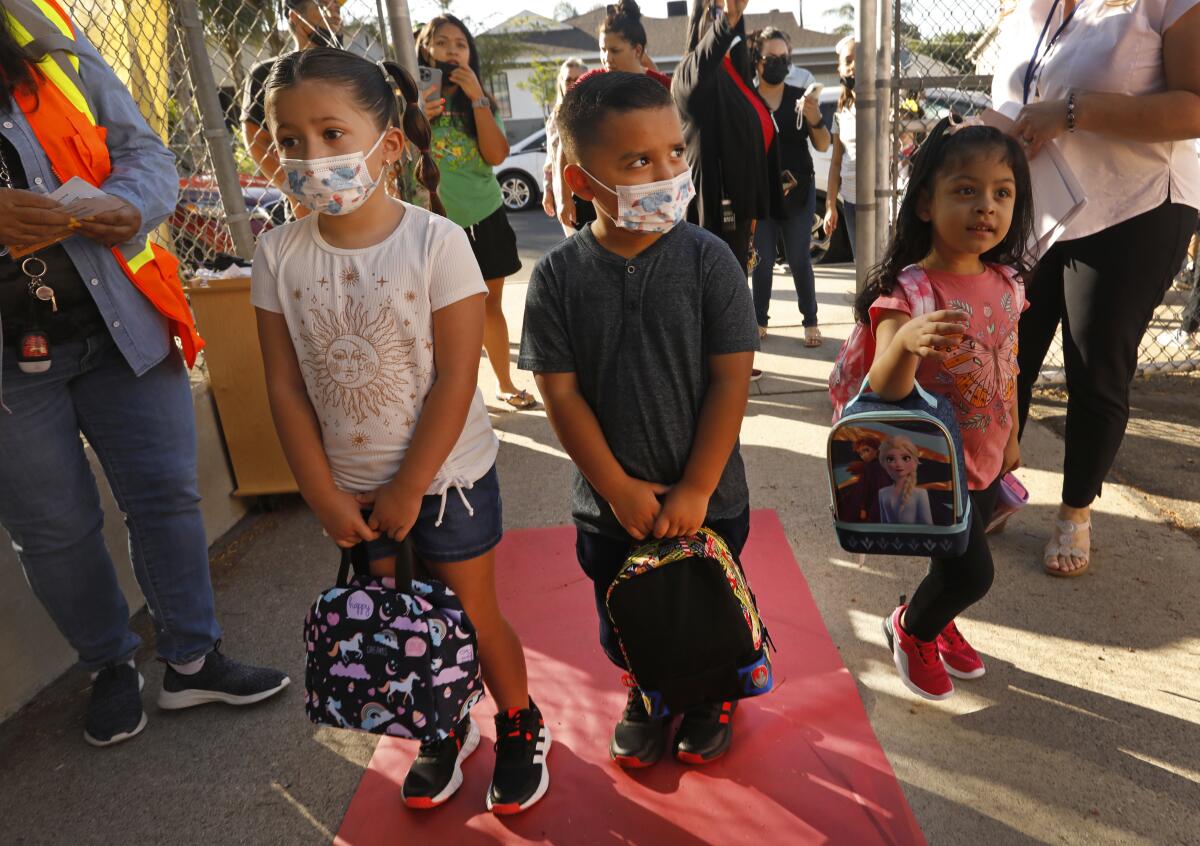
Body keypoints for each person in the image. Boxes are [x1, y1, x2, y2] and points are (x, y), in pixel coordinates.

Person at [253, 49, 550, 814]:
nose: (311, 158)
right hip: (350, 495)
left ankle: (519, 722)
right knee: (399, 622)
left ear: (386, 147)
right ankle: (439, 726)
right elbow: (284, 386)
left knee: (469, 614)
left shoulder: (435, 242)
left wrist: (411, 484)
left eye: (330, 133)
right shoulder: (277, 252)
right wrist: (321, 493)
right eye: (290, 141)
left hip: (447, 485)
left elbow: (456, 378)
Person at [0, 0, 288, 748]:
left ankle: (192, 659)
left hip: (121, 318)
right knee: (54, 529)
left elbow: (146, 153)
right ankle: (108, 665)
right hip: (10, 359)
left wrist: (127, 206)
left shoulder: (41, 30)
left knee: (165, 493)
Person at [519, 72, 759, 768]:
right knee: (626, 616)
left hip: (711, 498)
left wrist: (696, 489)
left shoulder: (711, 261)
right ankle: (649, 690)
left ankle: (715, 694)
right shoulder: (558, 278)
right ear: (582, 179)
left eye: (674, 153)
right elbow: (560, 395)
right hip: (609, 507)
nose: (667, 173)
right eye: (637, 161)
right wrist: (617, 488)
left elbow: (729, 380)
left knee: (708, 608)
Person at [995, 0, 1200, 576]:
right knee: (1004, 356)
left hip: (1133, 203)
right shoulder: (1039, 9)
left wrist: (1072, 111)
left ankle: (1075, 509)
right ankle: (997, 484)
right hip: (1040, 207)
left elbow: (1195, 107)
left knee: (1095, 361)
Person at [858, 117, 1034, 700]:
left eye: (1001, 194)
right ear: (927, 203)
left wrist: (1010, 435)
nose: (986, 207)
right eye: (966, 190)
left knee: (961, 555)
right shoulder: (909, 292)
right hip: (933, 464)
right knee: (972, 571)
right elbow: (883, 386)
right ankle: (912, 629)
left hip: (985, 453)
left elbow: (1004, 362)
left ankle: (934, 612)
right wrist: (907, 342)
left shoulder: (1008, 282)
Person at [416, 15, 535, 412]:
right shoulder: (411, 100)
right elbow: (395, 159)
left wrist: (478, 98)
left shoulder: (481, 99)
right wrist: (418, 118)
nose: (453, 50)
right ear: (426, 49)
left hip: (484, 214)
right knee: (438, 314)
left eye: (461, 44)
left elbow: (497, 155)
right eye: (443, 42)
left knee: (489, 306)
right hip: (433, 221)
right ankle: (449, 395)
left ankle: (504, 382)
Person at [674, 0, 784, 272]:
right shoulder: (689, 73)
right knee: (715, 295)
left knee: (732, 294)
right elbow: (704, 61)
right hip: (712, 212)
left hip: (739, 213)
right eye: (716, 11)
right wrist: (726, 22)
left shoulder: (738, 76)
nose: (726, 17)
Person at [553, 2, 673, 231]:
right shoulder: (588, 85)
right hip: (603, 203)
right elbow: (566, 143)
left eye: (614, 50)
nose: (606, 58)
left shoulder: (662, 87)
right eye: (602, 49)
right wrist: (564, 198)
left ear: (637, 50)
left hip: (653, 200)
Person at [750, 27, 831, 347]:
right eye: (772, 58)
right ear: (757, 61)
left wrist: (815, 119)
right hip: (762, 195)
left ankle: (810, 321)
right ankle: (758, 321)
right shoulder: (747, 100)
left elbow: (823, 145)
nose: (779, 64)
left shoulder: (801, 100)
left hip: (799, 193)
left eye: (785, 58)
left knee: (799, 258)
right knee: (763, 260)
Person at [241, 0, 344, 195]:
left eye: (337, 8)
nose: (335, 14)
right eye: (324, 7)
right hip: (306, 195)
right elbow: (256, 139)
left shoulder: (350, 72)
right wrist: (298, 191)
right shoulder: (269, 73)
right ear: (296, 17)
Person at [542, 57, 589, 237]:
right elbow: (551, 158)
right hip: (561, 192)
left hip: (586, 192)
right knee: (572, 245)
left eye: (577, 79)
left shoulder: (592, 112)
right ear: (560, 82)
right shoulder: (554, 116)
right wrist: (548, 190)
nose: (572, 84)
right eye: (568, 79)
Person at [822, 35, 858, 255]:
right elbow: (836, 162)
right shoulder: (841, 113)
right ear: (840, 68)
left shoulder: (885, 106)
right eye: (848, 60)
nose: (854, 66)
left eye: (860, 60)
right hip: (852, 201)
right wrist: (830, 206)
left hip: (883, 204)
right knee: (861, 264)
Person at [876, 436, 933, 525]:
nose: (899, 464)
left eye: (905, 458)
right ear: (884, 464)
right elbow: (884, 526)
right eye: (890, 459)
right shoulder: (882, 493)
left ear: (914, 462)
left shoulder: (920, 494)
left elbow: (928, 528)